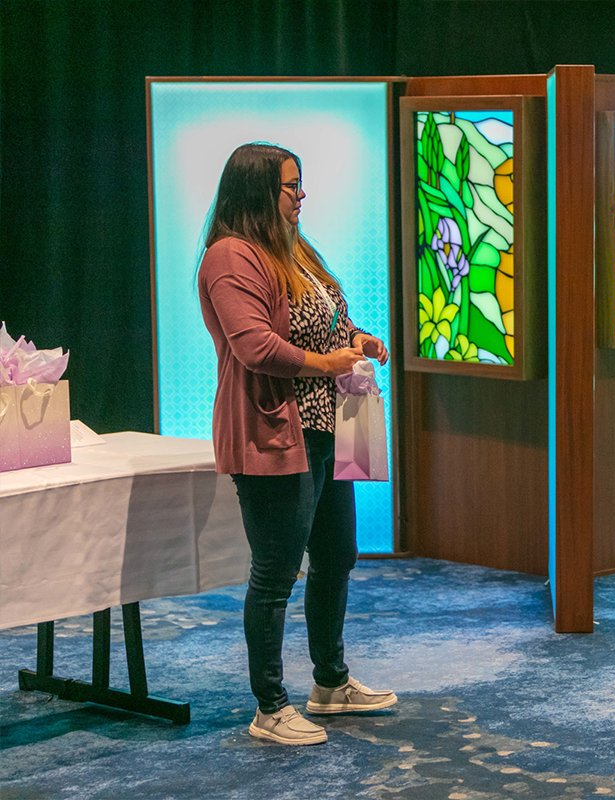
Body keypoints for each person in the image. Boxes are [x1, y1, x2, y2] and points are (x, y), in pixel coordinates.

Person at [198, 143, 395, 745]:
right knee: (277, 570)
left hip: (328, 425)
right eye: (290, 186)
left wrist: (356, 339)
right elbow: (255, 346)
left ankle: (330, 684)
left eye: (300, 184)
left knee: (336, 555)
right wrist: (325, 359)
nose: (300, 195)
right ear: (259, 192)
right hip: (273, 432)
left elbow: (325, 316)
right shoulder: (230, 256)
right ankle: (270, 705)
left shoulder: (293, 246)